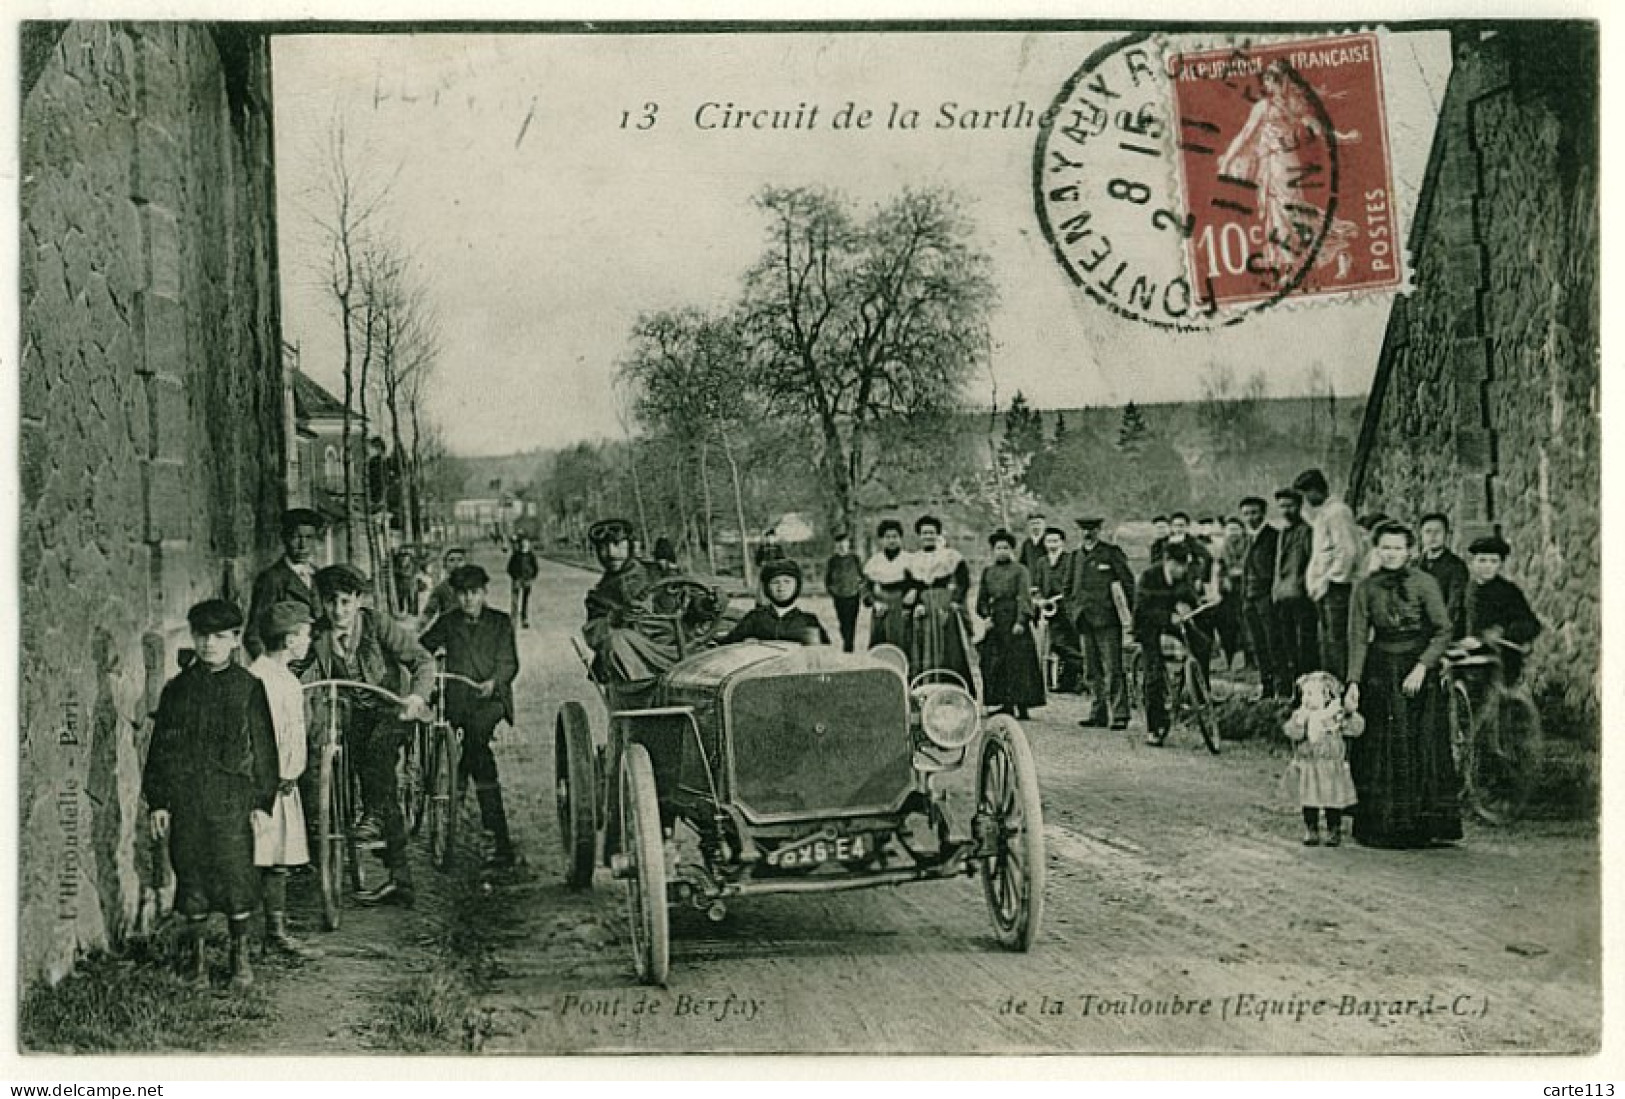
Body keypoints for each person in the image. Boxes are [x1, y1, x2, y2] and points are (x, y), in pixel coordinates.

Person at [144, 599, 279, 989]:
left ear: (235, 640)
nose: (208, 645)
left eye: (219, 637)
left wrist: (261, 802)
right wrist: (159, 802)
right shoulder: (178, 690)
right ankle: (197, 962)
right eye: (202, 636)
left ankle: (240, 959)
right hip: (188, 798)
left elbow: (264, 750)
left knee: (236, 873)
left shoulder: (248, 688)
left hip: (232, 799)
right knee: (191, 872)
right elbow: (161, 750)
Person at [307, 564, 435, 905]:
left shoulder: (378, 625)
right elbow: (297, 668)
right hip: (348, 715)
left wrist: (416, 697)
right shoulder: (316, 634)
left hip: (391, 710)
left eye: (346, 602)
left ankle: (380, 825)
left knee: (379, 760)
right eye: (331, 602)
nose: (338, 610)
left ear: (359, 601)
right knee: (321, 752)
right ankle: (335, 825)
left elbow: (422, 661)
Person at [1344, 521, 1460, 849]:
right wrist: (1353, 682)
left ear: (1409, 551)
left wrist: (1423, 667)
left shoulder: (1426, 583)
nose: (1391, 554)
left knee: (1419, 741)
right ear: (1376, 550)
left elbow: (1443, 630)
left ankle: (1421, 826)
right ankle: (1381, 827)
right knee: (1381, 744)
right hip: (1381, 670)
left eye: (1398, 548)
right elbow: (1357, 638)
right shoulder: (1365, 588)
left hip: (1417, 667)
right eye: (1385, 548)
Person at [421, 565, 521, 868]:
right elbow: (421, 647)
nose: (468, 599)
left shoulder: (501, 622)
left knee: (477, 744)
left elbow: (510, 663)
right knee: (468, 747)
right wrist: (432, 668)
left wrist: (494, 683)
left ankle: (498, 834)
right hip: (457, 698)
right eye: (463, 594)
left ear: (484, 593)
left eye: (474, 593)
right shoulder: (448, 622)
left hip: (490, 700)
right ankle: (462, 787)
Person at [248, 602, 315, 957]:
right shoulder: (261, 680)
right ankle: (251, 935)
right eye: (305, 634)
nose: (309, 641)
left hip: (285, 784)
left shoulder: (286, 678)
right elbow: (264, 736)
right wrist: (274, 777)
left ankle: (275, 930)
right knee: (261, 854)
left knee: (279, 857)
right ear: (290, 640)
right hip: (266, 785)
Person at [582, 518, 687, 711]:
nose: (610, 554)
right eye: (602, 548)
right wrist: (616, 617)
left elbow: (687, 597)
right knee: (617, 640)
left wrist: (707, 604)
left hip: (679, 649)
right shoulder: (599, 596)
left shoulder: (658, 572)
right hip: (636, 667)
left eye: (617, 545)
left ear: (629, 545)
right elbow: (595, 635)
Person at [1132, 543, 1212, 747]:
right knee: (1154, 675)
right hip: (1148, 626)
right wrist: (1168, 617)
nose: (1182, 570)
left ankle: (1197, 689)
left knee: (1203, 644)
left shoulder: (1182, 576)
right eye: (1178, 565)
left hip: (1174, 622)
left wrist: (1196, 606)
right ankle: (1154, 727)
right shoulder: (1149, 576)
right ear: (1167, 561)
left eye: (1185, 565)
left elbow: (1188, 596)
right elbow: (1142, 609)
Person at [1065, 517, 1135, 729]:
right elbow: (1067, 588)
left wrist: (1131, 615)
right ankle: (1098, 712)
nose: (1088, 534)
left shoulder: (1111, 553)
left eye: (1092, 529)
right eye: (1084, 530)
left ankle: (1120, 714)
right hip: (1084, 620)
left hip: (1107, 620)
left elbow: (1128, 583)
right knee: (1091, 669)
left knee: (1114, 667)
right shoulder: (1075, 557)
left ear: (1099, 530)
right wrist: (1073, 611)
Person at [1295, 468, 1364, 681]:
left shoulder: (1337, 512)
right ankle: (1333, 687)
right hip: (1326, 590)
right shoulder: (1325, 514)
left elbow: (1348, 550)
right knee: (1328, 641)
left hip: (1336, 589)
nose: (1306, 501)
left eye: (1307, 495)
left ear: (1317, 490)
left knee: (1337, 641)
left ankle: (1343, 687)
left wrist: (1330, 580)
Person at [1283, 670, 1365, 847]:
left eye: (1312, 694)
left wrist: (1350, 715)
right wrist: (1299, 723)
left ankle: (1333, 828)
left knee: (1332, 799)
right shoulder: (1302, 716)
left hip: (1331, 766)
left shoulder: (1334, 716)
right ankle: (1311, 828)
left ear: (1327, 696)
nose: (1307, 699)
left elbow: (1356, 729)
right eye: (1305, 694)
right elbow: (1292, 733)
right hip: (1309, 765)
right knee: (1309, 799)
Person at [975, 530, 1045, 719]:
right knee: (996, 663)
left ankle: (1022, 705)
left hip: (1014, 619)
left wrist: (1021, 620)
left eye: (1005, 547)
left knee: (1019, 663)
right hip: (996, 621)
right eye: (998, 548)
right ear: (993, 551)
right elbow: (981, 600)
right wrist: (986, 616)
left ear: (1011, 549)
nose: (1002, 551)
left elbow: (1024, 596)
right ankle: (1004, 704)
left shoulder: (1020, 570)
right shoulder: (988, 572)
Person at [245, 508, 326, 662]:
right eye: (296, 537)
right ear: (284, 538)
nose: (303, 545)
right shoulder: (272, 579)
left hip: (317, 668)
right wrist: (272, 670)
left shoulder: (318, 576)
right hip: (287, 665)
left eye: (309, 537)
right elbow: (253, 635)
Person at [1461, 534, 1543, 686]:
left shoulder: (1509, 592)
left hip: (1501, 660)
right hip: (1468, 657)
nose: (1487, 566)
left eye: (1493, 561)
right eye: (1482, 560)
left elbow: (1531, 624)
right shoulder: (1466, 590)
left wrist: (1502, 631)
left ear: (1500, 565)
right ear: (1472, 562)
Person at [907, 516, 976, 692]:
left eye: (931, 532)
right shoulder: (914, 559)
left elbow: (963, 582)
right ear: (919, 536)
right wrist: (917, 604)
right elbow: (912, 586)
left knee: (949, 647)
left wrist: (954, 601)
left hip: (944, 603)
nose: (928, 536)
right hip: (924, 605)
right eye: (924, 533)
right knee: (922, 646)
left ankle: (954, 689)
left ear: (938, 534)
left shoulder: (950, 556)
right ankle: (924, 690)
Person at [1271, 487, 1319, 686]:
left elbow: (1312, 563)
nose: (1285, 510)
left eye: (1289, 506)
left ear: (1299, 506)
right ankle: (1293, 686)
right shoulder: (1283, 533)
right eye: (1281, 506)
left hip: (1301, 596)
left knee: (1304, 644)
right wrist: (1276, 590)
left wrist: (1303, 585)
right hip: (1283, 596)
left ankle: (1307, 686)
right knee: (1287, 643)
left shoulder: (1307, 532)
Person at [721, 558, 831, 644]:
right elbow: (728, 646)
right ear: (767, 588)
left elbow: (822, 657)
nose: (781, 587)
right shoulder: (755, 619)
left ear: (797, 586)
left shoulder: (808, 621)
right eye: (775, 582)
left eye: (787, 582)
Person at [1238, 496, 1284, 698]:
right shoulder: (1248, 538)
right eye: (1246, 513)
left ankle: (1282, 687)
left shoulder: (1274, 537)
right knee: (1258, 644)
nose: (1250, 517)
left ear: (1263, 513)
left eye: (1254, 513)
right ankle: (1267, 687)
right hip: (1249, 599)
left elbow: (1277, 569)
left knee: (1273, 642)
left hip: (1266, 598)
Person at [1030, 526, 1081, 693]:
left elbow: (1074, 584)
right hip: (1048, 609)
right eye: (1049, 541)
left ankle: (1078, 677)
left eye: (1055, 541)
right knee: (1057, 645)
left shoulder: (1070, 559)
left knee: (1068, 645)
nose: (1052, 544)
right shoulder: (1042, 562)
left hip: (1066, 608)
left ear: (1062, 543)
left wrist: (1061, 599)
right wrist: (1039, 600)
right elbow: (1036, 584)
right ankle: (1068, 682)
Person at [1417, 513, 1471, 639]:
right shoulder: (1414, 565)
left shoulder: (1456, 566)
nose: (1432, 536)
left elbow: (1455, 603)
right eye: (1428, 532)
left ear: (1446, 535)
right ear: (1421, 535)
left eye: (1438, 532)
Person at [863, 519, 913, 652]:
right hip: (881, 606)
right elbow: (865, 588)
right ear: (882, 540)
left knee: (902, 641)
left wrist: (912, 594)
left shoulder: (909, 559)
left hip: (901, 606)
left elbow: (916, 584)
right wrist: (874, 603)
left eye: (895, 536)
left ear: (900, 538)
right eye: (888, 537)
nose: (891, 540)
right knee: (880, 642)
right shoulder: (875, 561)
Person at [1216, 515, 1250, 669]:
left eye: (1236, 529)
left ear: (1242, 530)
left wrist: (1237, 573)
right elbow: (1220, 569)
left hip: (1245, 588)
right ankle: (1228, 658)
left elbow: (1247, 565)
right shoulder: (1223, 548)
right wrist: (1223, 581)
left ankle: (1247, 658)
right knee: (1227, 623)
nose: (1233, 533)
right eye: (1230, 529)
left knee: (1245, 623)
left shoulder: (1248, 544)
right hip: (1228, 591)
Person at [823, 532, 864, 652]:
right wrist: (832, 591)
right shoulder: (832, 561)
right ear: (836, 545)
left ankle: (849, 646)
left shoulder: (855, 559)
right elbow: (828, 579)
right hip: (839, 596)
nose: (842, 546)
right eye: (839, 544)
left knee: (851, 622)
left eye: (845, 543)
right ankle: (847, 642)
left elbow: (862, 576)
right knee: (842, 622)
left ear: (848, 544)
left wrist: (858, 588)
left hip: (853, 595)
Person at [422, 547, 469, 623]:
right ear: (445, 565)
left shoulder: (473, 586)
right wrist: (418, 629)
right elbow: (429, 612)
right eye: (451, 560)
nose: (456, 564)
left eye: (460, 560)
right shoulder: (441, 589)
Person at [506, 535, 541, 629]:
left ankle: (524, 619)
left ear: (529, 545)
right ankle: (513, 620)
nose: (525, 545)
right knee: (515, 601)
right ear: (521, 544)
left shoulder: (531, 555)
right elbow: (509, 567)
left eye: (527, 543)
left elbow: (535, 567)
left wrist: (532, 577)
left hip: (527, 580)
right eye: (523, 543)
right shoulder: (516, 555)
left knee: (525, 601)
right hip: (517, 580)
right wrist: (514, 577)